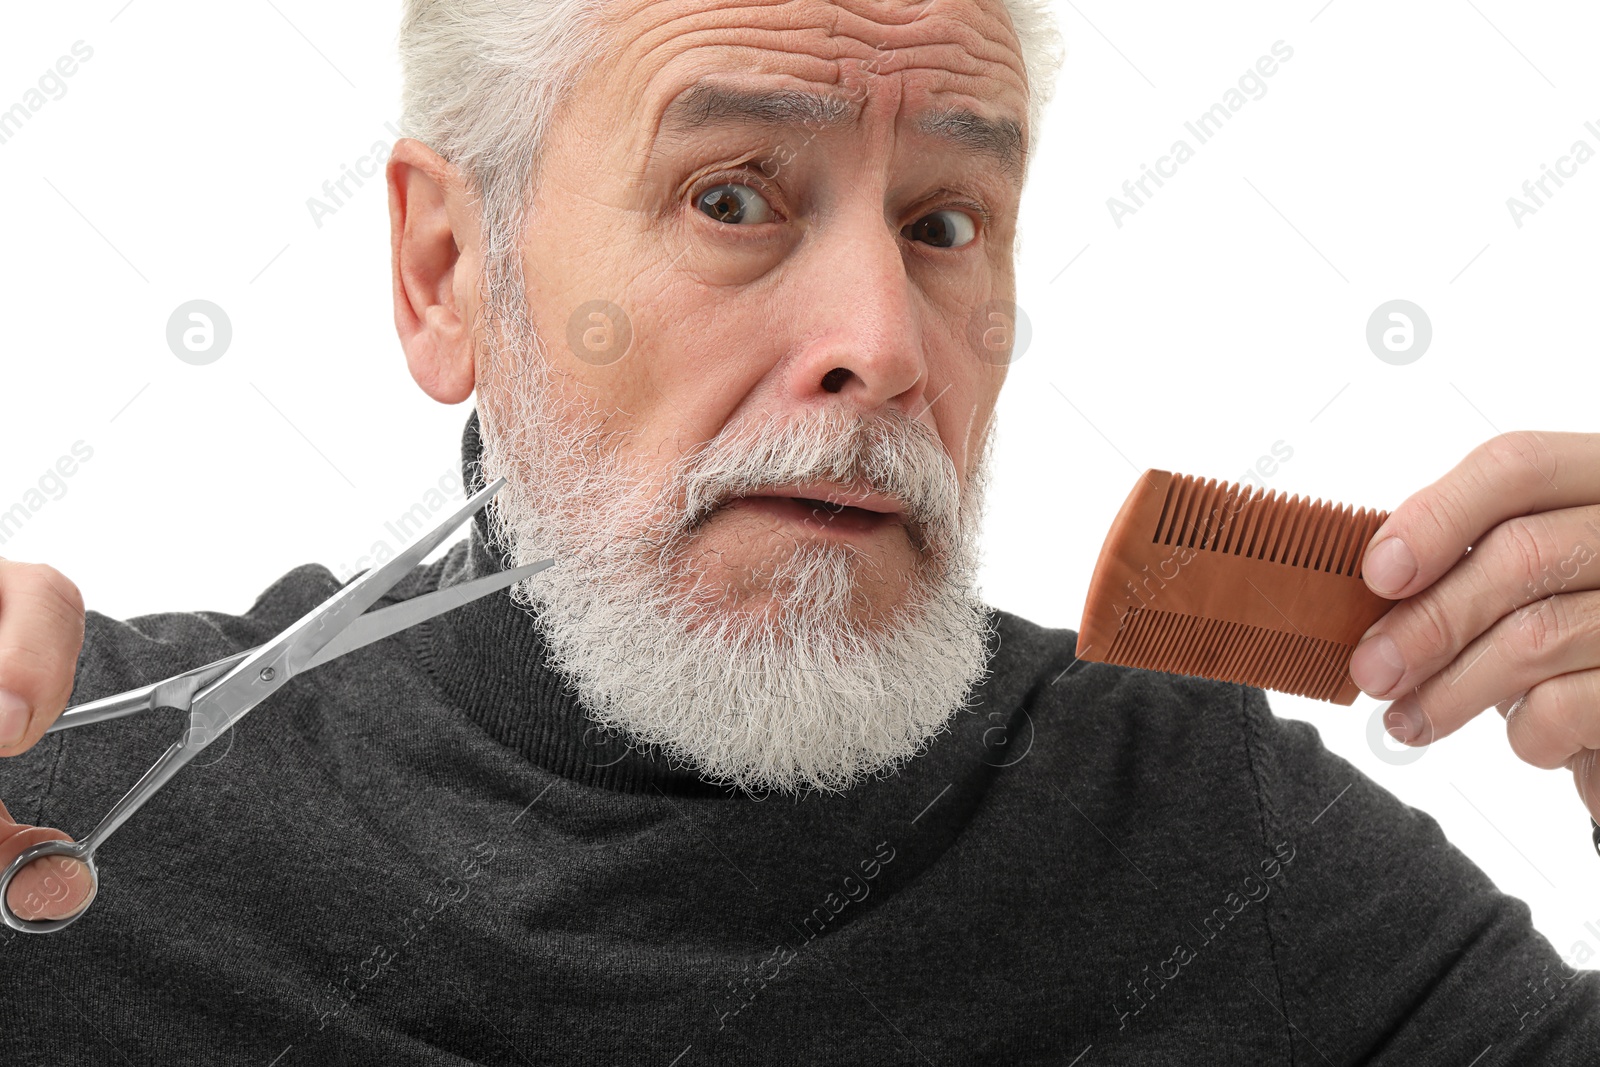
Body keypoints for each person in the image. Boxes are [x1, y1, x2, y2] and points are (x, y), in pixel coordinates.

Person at [3, 0, 1598, 1061]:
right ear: (446, 274)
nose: (888, 345)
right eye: (734, 197)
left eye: (945, 224)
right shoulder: (56, 831)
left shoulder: (1208, 836)